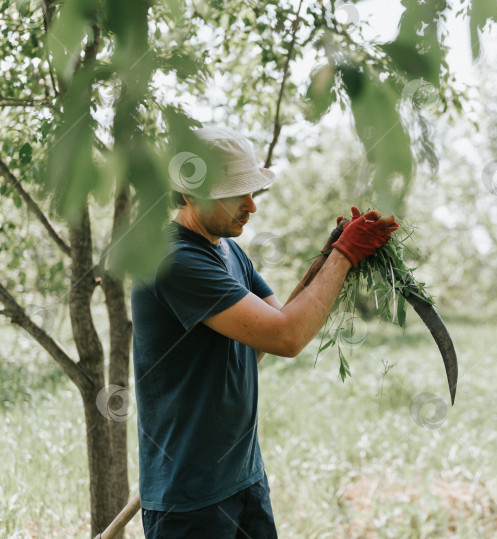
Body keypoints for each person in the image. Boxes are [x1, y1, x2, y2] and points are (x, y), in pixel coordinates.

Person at [131, 126, 397, 538]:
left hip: (243, 478)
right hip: (190, 499)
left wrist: (332, 251)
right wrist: (345, 256)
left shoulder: (227, 250)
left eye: (251, 190)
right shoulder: (174, 260)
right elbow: (286, 338)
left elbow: (286, 317)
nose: (252, 205)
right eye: (235, 193)